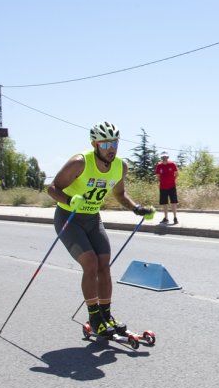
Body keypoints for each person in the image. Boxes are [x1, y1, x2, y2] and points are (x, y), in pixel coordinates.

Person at [47, 121, 155, 338]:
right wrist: (69, 199)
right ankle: (94, 317)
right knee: (91, 263)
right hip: (69, 219)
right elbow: (52, 188)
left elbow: (120, 195)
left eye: (114, 143)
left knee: (104, 266)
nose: (111, 148)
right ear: (95, 144)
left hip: (92, 219)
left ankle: (106, 315)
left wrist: (137, 209)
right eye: (106, 144)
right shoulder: (80, 163)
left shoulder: (120, 166)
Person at [155, 151, 179, 224]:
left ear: (168, 157)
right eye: (163, 157)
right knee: (164, 203)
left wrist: (173, 180)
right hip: (163, 187)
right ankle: (166, 218)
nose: (164, 158)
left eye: (165, 157)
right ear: (161, 157)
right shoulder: (159, 165)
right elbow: (158, 176)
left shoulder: (172, 164)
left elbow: (177, 174)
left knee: (173, 202)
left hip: (172, 186)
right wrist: (162, 181)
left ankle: (175, 218)